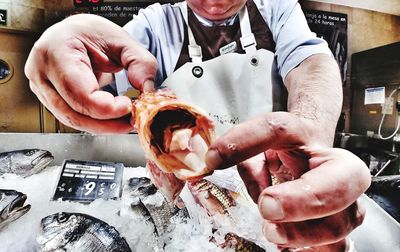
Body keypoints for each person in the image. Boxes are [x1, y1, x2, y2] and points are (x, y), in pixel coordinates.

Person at [25, 0, 371, 251]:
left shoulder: (277, 9)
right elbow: (98, 79)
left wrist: (309, 127)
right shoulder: (156, 22)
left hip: (270, 188)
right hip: (190, 202)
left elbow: (311, 62)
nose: (216, 1)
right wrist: (65, 55)